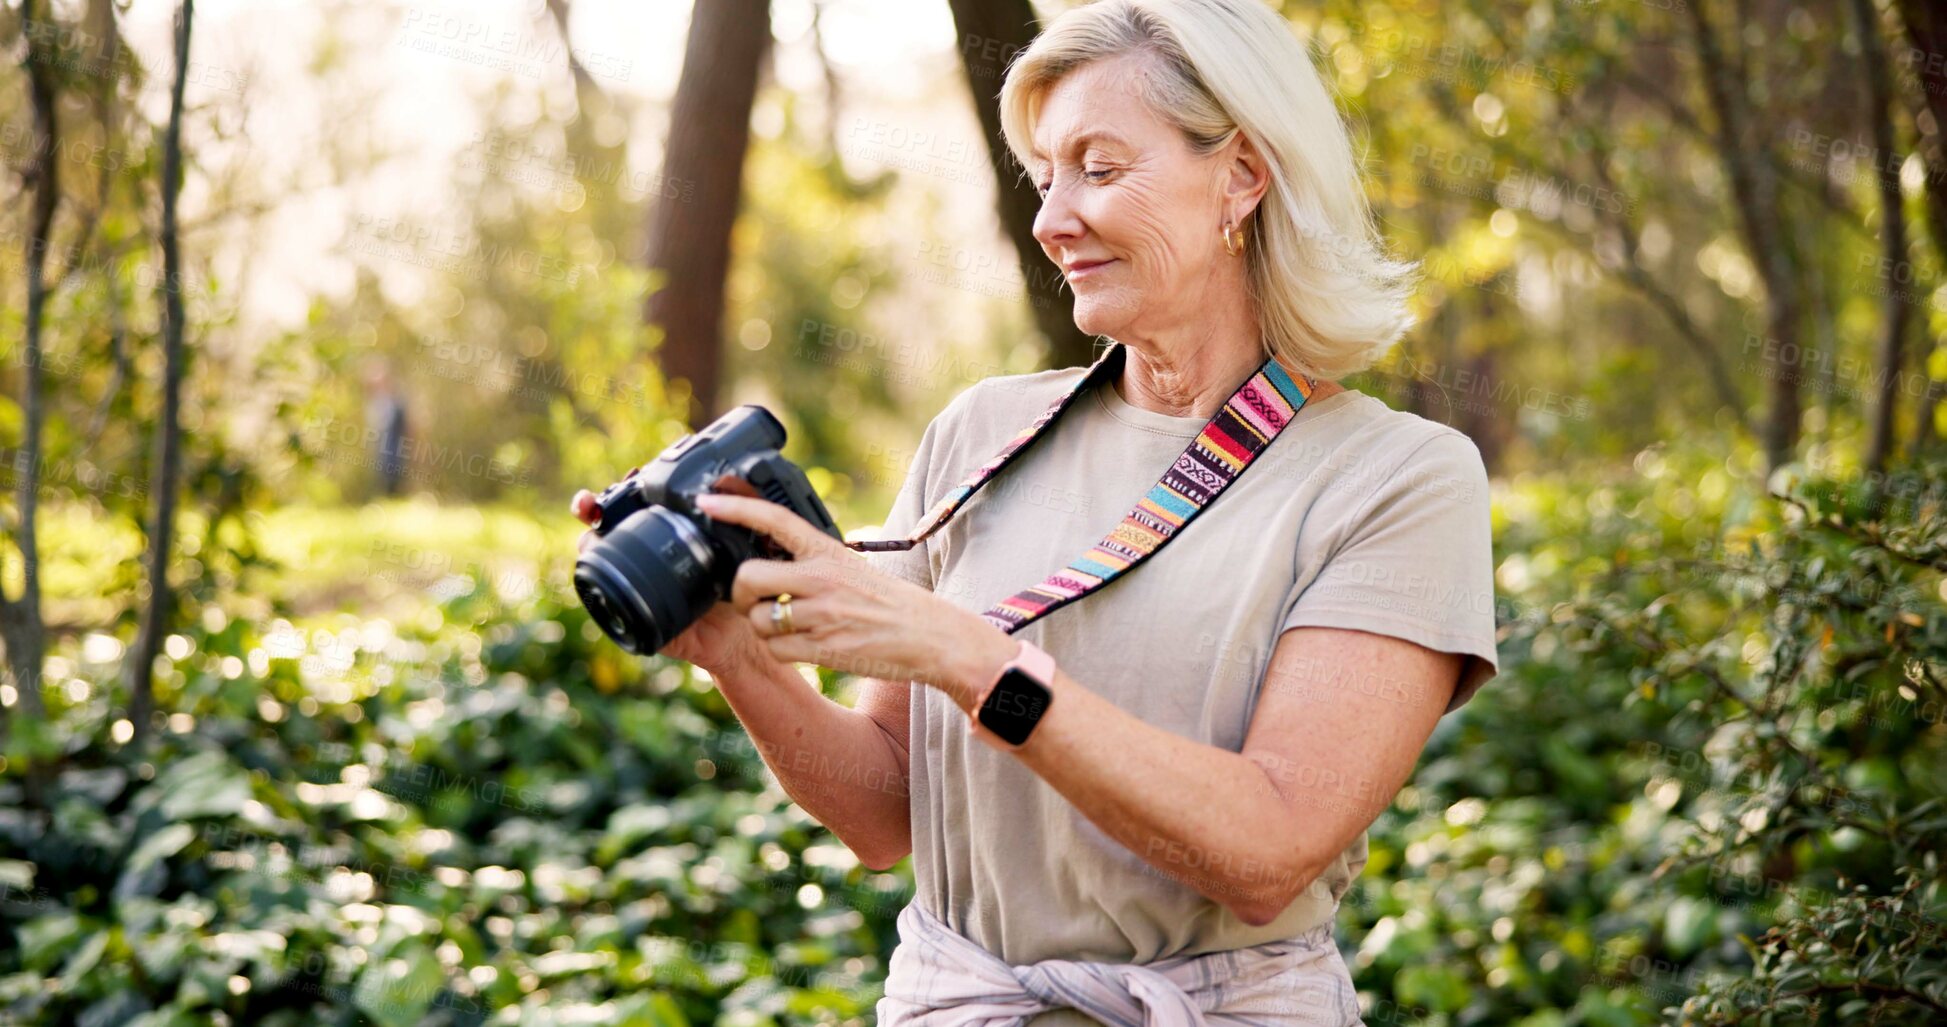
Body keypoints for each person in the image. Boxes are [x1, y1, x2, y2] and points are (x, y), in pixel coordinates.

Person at [573, 1, 1497, 1022]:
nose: (1052, 218)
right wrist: (737, 656)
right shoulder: (982, 434)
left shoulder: (1393, 479)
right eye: (1045, 176)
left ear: (1241, 175)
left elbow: (1267, 849)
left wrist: (968, 657)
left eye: (1099, 169)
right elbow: (885, 815)